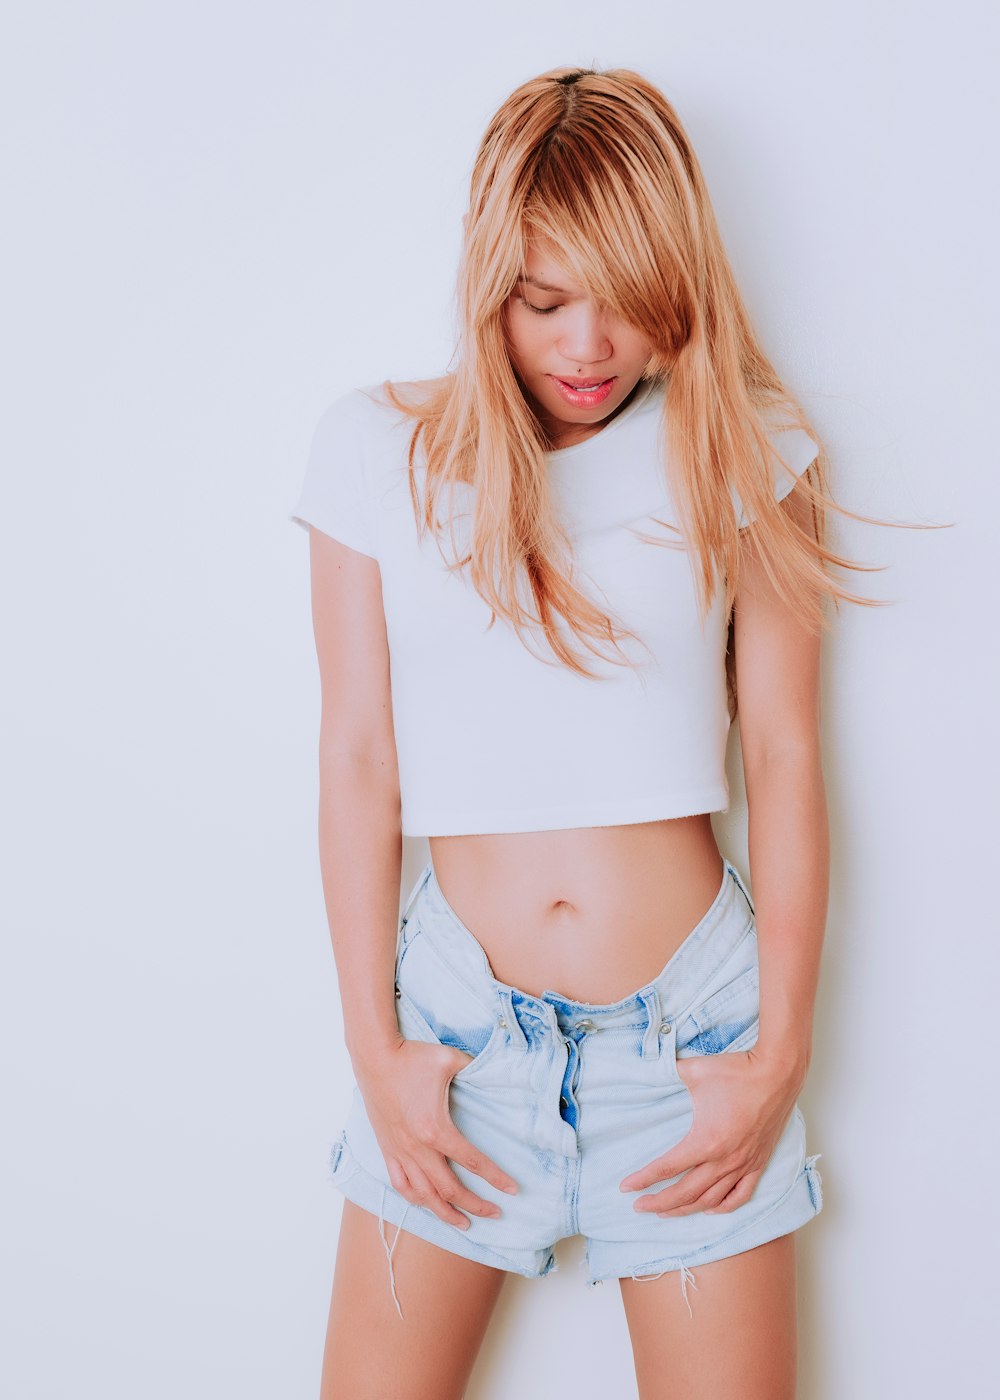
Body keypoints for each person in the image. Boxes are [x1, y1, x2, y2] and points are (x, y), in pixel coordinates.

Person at [290, 64, 876, 1400]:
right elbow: (357, 760)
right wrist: (371, 1047)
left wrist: (778, 1049)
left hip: (693, 1045)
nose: (589, 346)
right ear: (488, 277)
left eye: (630, 303)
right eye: (548, 301)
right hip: (452, 1039)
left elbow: (784, 755)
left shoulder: (755, 453)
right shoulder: (373, 456)